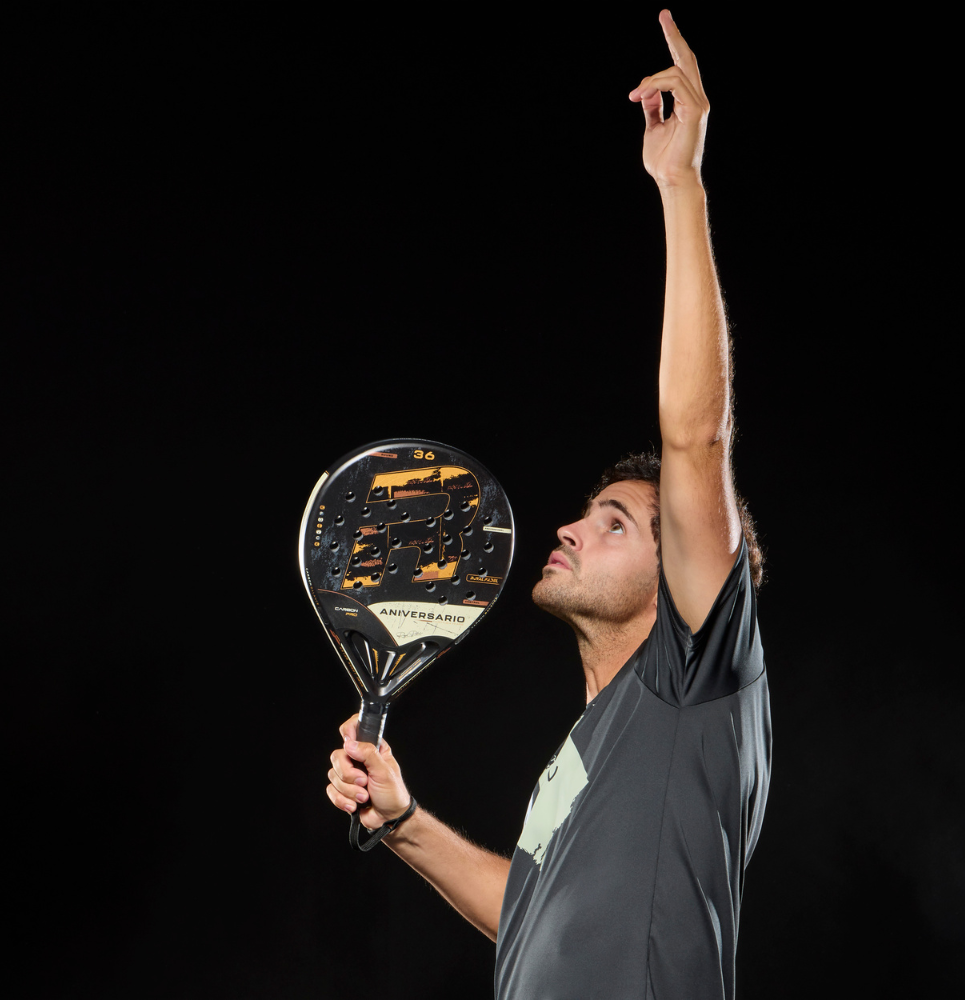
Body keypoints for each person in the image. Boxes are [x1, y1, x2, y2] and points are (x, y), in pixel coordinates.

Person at [326, 10, 771, 997]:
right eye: (588, 511)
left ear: (683, 572)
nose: (570, 526)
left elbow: (696, 437)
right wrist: (404, 821)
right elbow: (525, 910)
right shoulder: (584, 754)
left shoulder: (694, 678)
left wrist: (680, 182)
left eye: (615, 522)